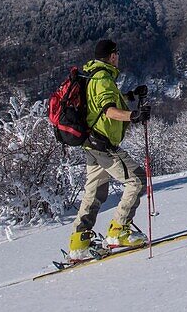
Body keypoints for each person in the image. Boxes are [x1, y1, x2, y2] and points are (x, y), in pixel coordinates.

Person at [68, 39, 152, 261]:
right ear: (112, 56)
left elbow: (104, 101)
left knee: (95, 193)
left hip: (91, 144)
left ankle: (79, 244)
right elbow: (108, 110)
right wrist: (134, 116)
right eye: (117, 54)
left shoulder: (92, 74)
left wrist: (131, 96)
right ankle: (118, 231)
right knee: (137, 179)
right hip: (102, 144)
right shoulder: (102, 78)